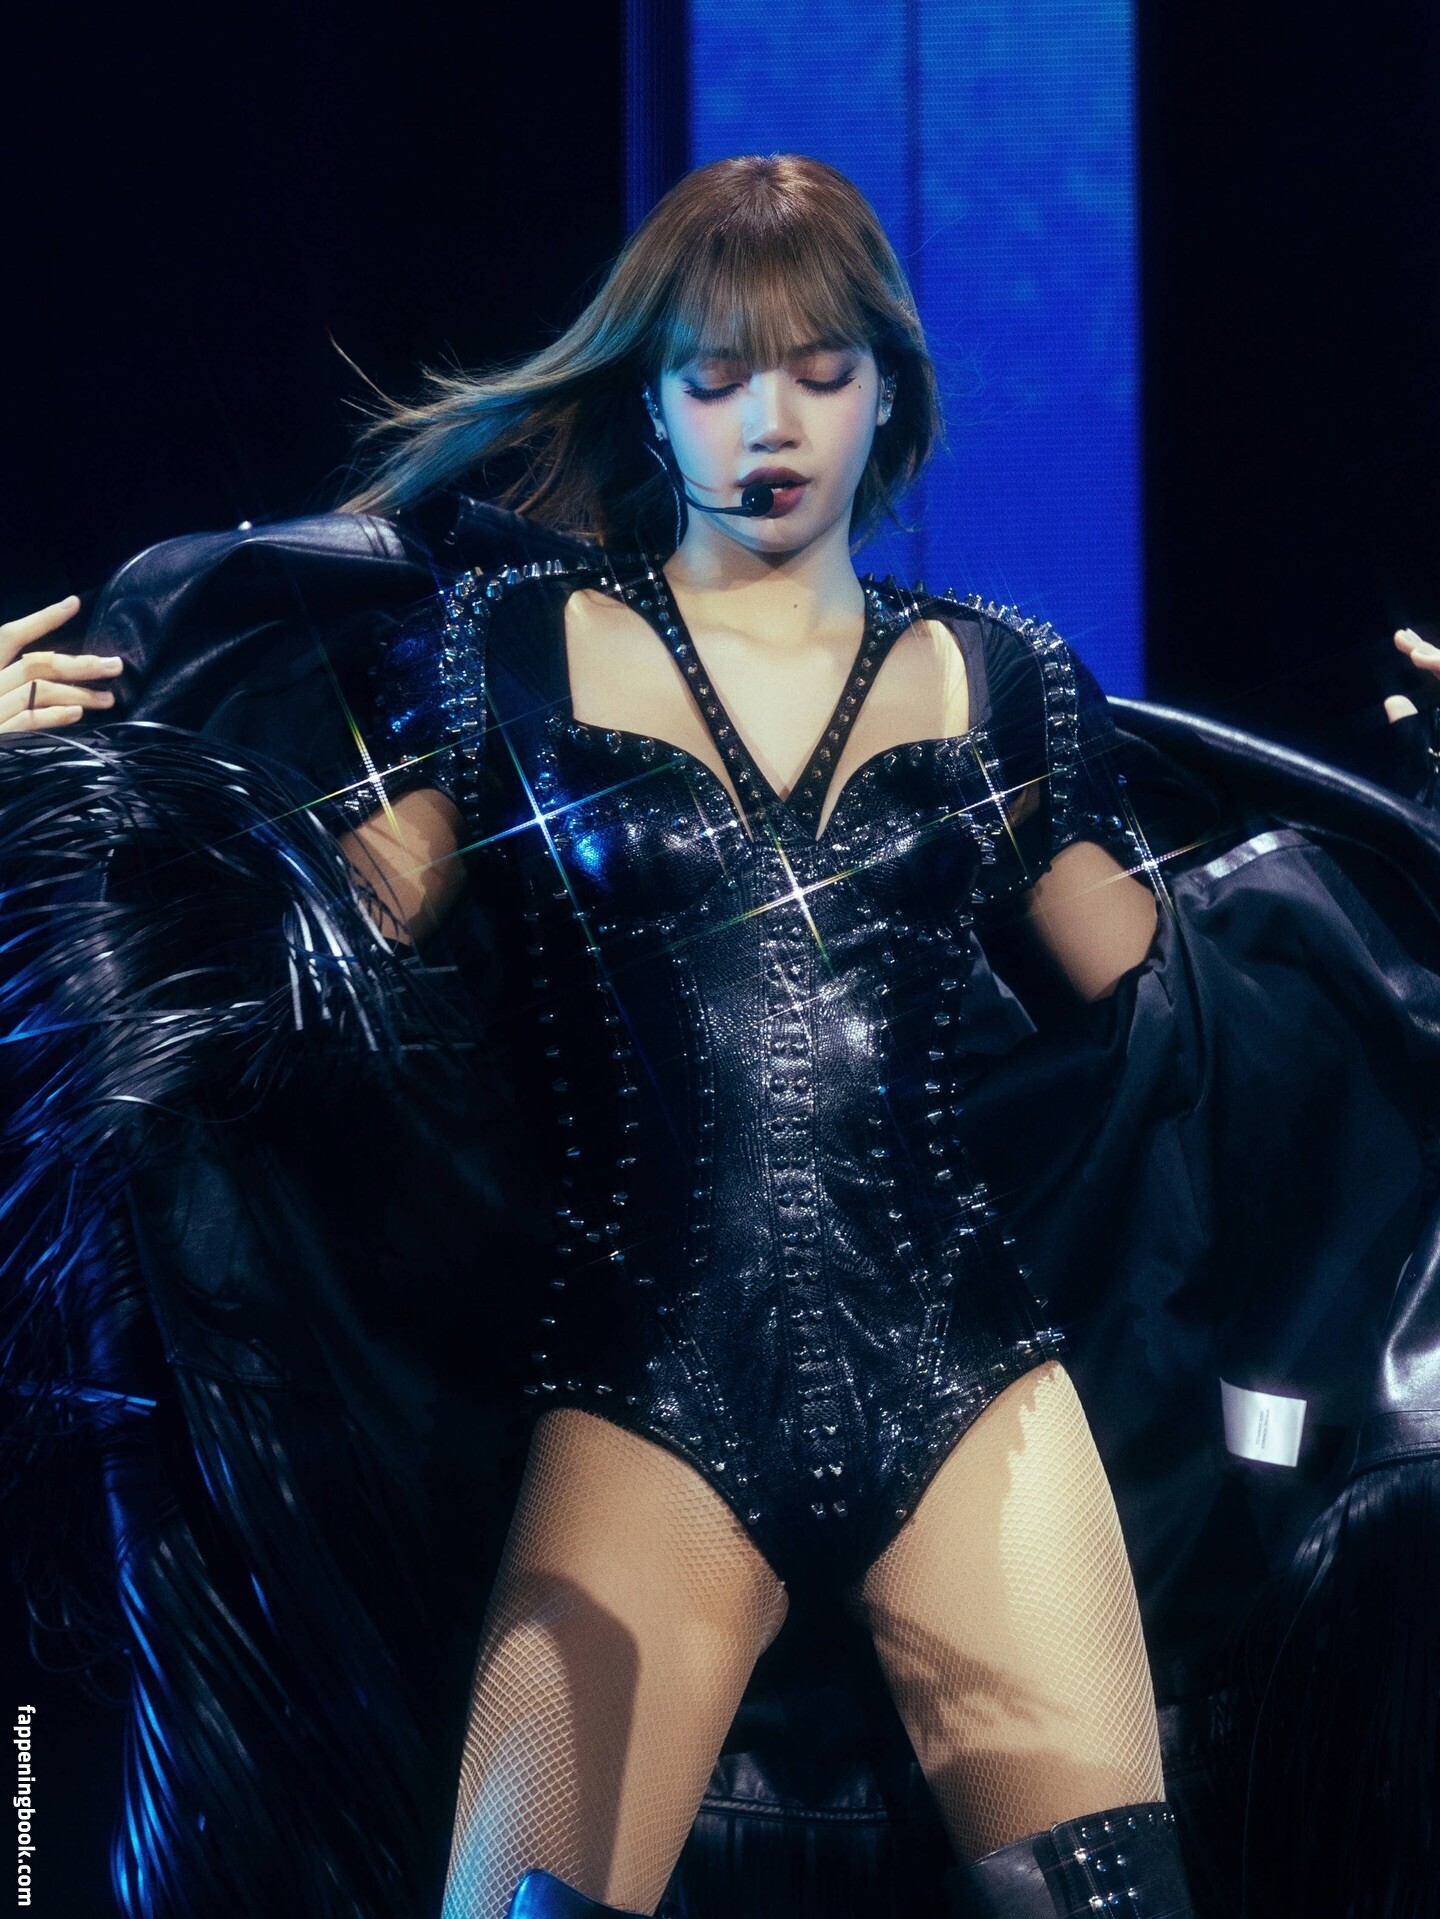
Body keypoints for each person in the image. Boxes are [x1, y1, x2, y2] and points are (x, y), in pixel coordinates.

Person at [5, 154, 1440, 1919]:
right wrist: (39, 795)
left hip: (975, 1392)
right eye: (719, 375)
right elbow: (308, 942)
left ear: (890, 394)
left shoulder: (1002, 676)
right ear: (651, 403)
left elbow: (1211, 1012)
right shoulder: (515, 650)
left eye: (822, 371)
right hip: (651, 1395)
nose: (772, 421)